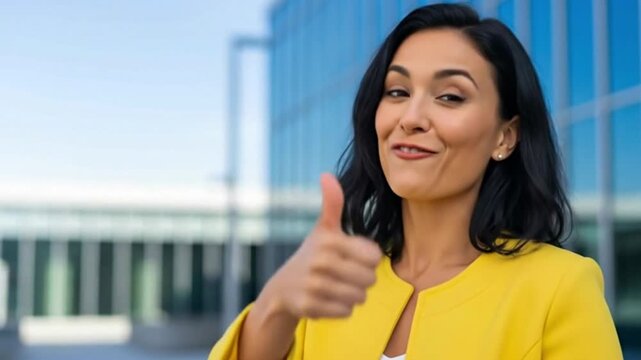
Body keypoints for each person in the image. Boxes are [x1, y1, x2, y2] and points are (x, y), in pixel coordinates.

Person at [210, 3, 623, 359]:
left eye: (450, 97)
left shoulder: (560, 289)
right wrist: (276, 302)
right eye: (397, 91)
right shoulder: (332, 285)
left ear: (505, 136)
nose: (410, 118)